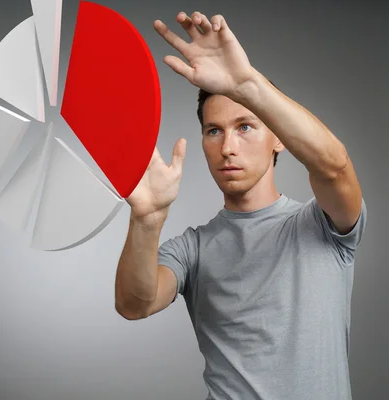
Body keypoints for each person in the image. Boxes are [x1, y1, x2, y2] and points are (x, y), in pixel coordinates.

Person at [114, 11, 367, 400]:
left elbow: (333, 166)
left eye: (245, 126)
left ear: (278, 137)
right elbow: (134, 304)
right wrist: (146, 219)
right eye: (214, 131)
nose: (227, 147)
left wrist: (250, 86)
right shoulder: (193, 249)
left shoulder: (324, 225)